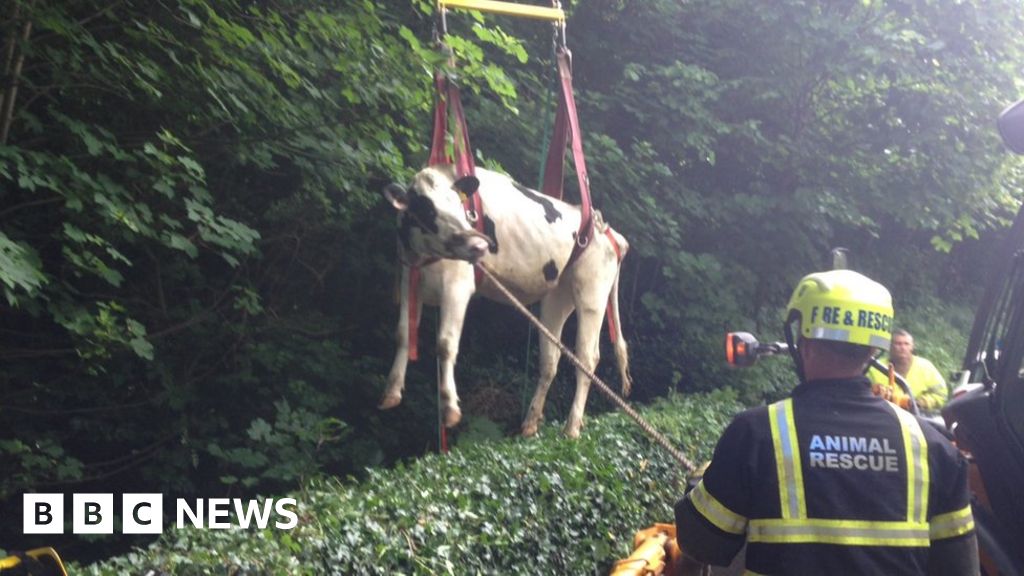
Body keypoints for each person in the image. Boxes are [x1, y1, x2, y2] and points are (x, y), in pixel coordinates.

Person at [675, 270, 978, 575]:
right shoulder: (934, 448)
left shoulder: (756, 434)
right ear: (874, 349)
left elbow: (701, 544)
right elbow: (960, 568)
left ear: (803, 341)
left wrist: (705, 482)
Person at [869, 329, 948, 413]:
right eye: (898, 344)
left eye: (906, 344)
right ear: (890, 346)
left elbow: (941, 395)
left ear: (912, 347)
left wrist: (919, 403)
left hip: (915, 416)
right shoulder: (876, 367)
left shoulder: (926, 367)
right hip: (881, 413)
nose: (903, 348)